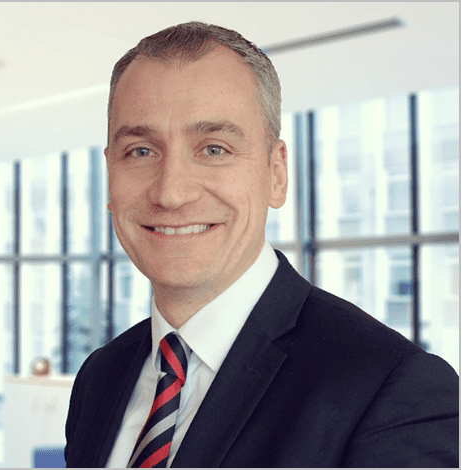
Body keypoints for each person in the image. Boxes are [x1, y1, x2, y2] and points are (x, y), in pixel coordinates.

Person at [64, 22, 458, 468]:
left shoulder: (390, 389)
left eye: (213, 149)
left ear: (276, 174)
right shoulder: (100, 376)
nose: (170, 193)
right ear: (110, 176)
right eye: (140, 151)